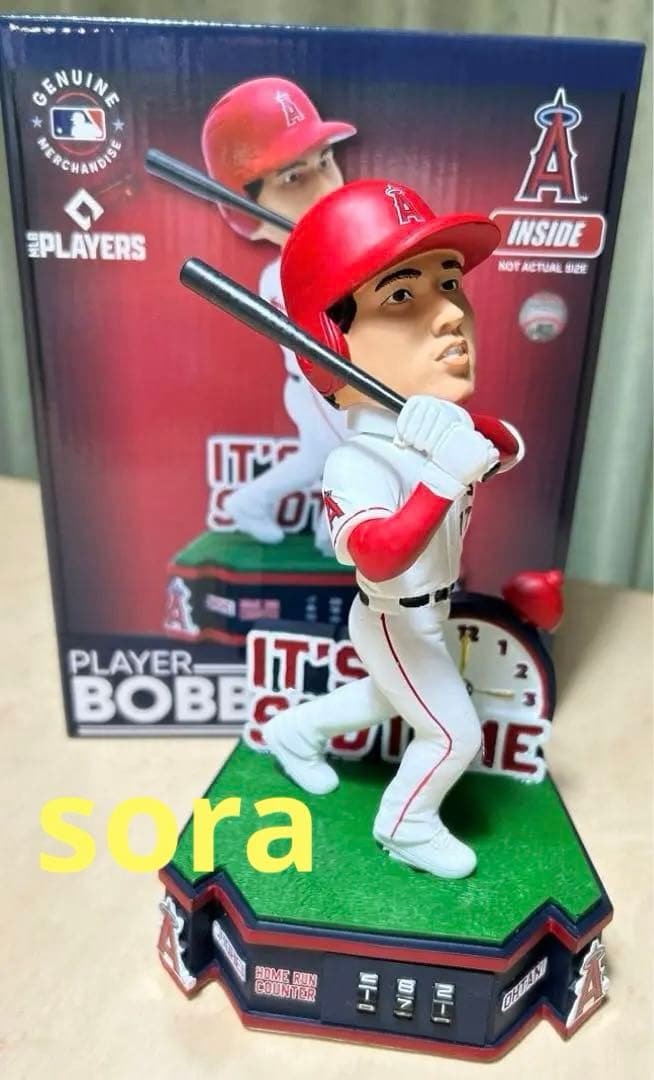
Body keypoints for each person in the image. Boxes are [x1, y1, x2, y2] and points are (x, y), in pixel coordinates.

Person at [262, 179, 524, 879]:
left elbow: (504, 446)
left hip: (430, 613)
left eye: (450, 284)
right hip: (390, 616)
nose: (452, 315)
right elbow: (377, 557)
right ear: (328, 345)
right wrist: (442, 475)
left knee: (384, 698)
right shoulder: (357, 460)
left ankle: (293, 731)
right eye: (402, 296)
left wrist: (463, 433)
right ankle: (406, 825)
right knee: (453, 734)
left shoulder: (431, 429)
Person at [202, 77, 356, 553]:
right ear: (246, 210)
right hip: (319, 390)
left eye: (325, 161)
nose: (325, 187)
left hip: (329, 391)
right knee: (354, 456)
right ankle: (332, 535)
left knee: (321, 460)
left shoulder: (336, 251)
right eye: (293, 178)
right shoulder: (283, 274)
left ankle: (252, 503)